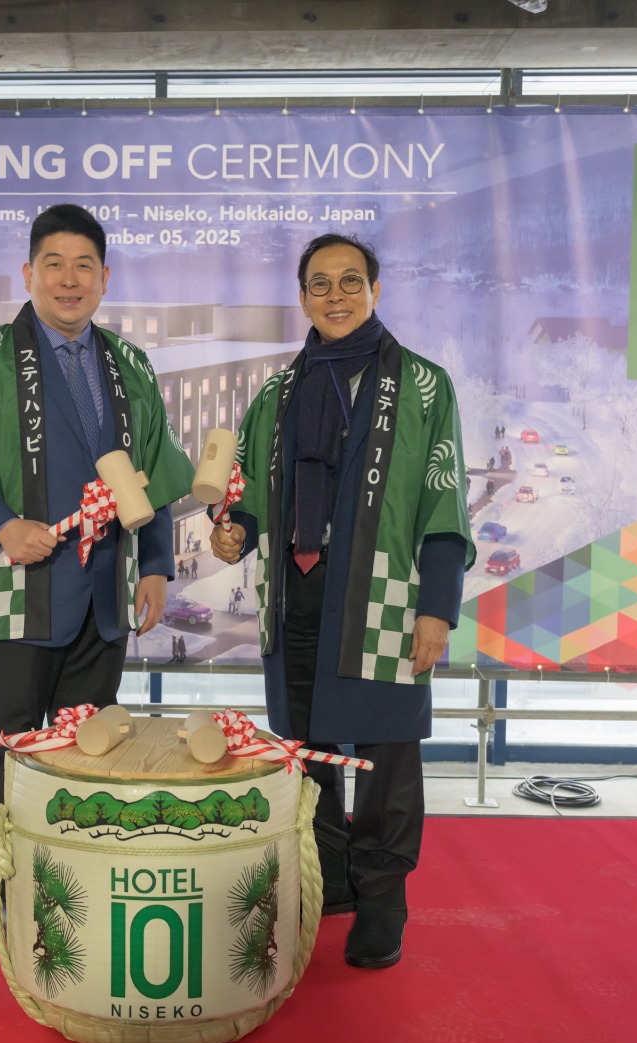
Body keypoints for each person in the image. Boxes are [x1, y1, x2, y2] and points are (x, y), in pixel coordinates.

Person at [211, 233, 473, 970]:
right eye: (320, 284)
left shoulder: (424, 386)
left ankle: (383, 899)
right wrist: (235, 533)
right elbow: (251, 498)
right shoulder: (278, 393)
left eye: (350, 282)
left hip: (386, 599)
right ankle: (329, 882)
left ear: (376, 291)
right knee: (310, 753)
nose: (335, 296)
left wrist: (438, 607)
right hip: (295, 598)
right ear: (302, 298)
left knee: (388, 757)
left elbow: (442, 504)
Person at [0, 204, 193, 809]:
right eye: (54, 264)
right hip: (16, 585)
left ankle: (74, 889)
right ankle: (11, 884)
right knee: (12, 742)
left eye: (84, 266)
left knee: (90, 746)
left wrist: (154, 565)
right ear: (28, 274)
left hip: (106, 590)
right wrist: (1, 526)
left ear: (105, 278)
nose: (70, 280)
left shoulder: (131, 365)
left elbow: (155, 472)